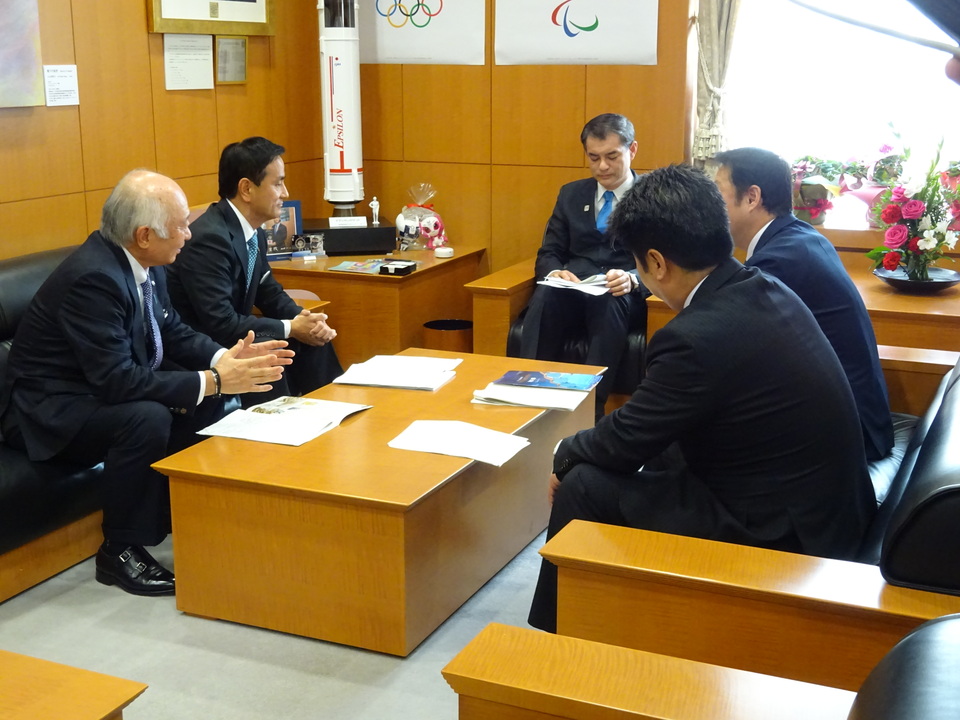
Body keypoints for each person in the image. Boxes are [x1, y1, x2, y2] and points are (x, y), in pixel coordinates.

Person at [527, 164, 877, 633]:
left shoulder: (695, 336)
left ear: (655, 262)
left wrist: (564, 455)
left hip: (786, 533)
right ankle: (619, 607)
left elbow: (624, 438)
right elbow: (649, 425)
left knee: (583, 484)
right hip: (825, 507)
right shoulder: (760, 287)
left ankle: (557, 638)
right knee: (652, 452)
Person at [0, 170, 293, 597]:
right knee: (147, 418)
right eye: (180, 226)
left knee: (206, 398)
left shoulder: (145, 263)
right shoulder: (94, 280)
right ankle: (119, 551)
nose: (189, 234)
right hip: (47, 411)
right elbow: (116, 381)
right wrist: (212, 381)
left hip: (92, 391)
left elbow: (171, 329)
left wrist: (222, 360)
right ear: (143, 235)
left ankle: (193, 516)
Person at [710, 147, 894, 463]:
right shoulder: (799, 237)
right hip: (859, 418)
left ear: (752, 197)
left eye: (716, 194)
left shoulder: (778, 261)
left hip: (850, 432)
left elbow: (734, 352)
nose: (708, 207)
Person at [167, 137, 342, 406]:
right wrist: (291, 328)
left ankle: (334, 411)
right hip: (202, 347)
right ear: (246, 189)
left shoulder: (252, 232)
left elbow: (268, 291)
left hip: (234, 335)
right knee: (272, 347)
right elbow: (220, 322)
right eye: (278, 183)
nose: (285, 192)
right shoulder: (210, 239)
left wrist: (304, 321)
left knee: (313, 338)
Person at [519, 113, 648, 420]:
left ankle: (590, 411)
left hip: (620, 292)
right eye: (594, 157)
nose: (602, 166)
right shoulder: (571, 194)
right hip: (573, 286)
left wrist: (632, 279)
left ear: (632, 150)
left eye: (611, 157)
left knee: (610, 301)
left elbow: (667, 261)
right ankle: (524, 398)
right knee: (545, 295)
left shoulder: (653, 196)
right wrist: (554, 273)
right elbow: (549, 251)